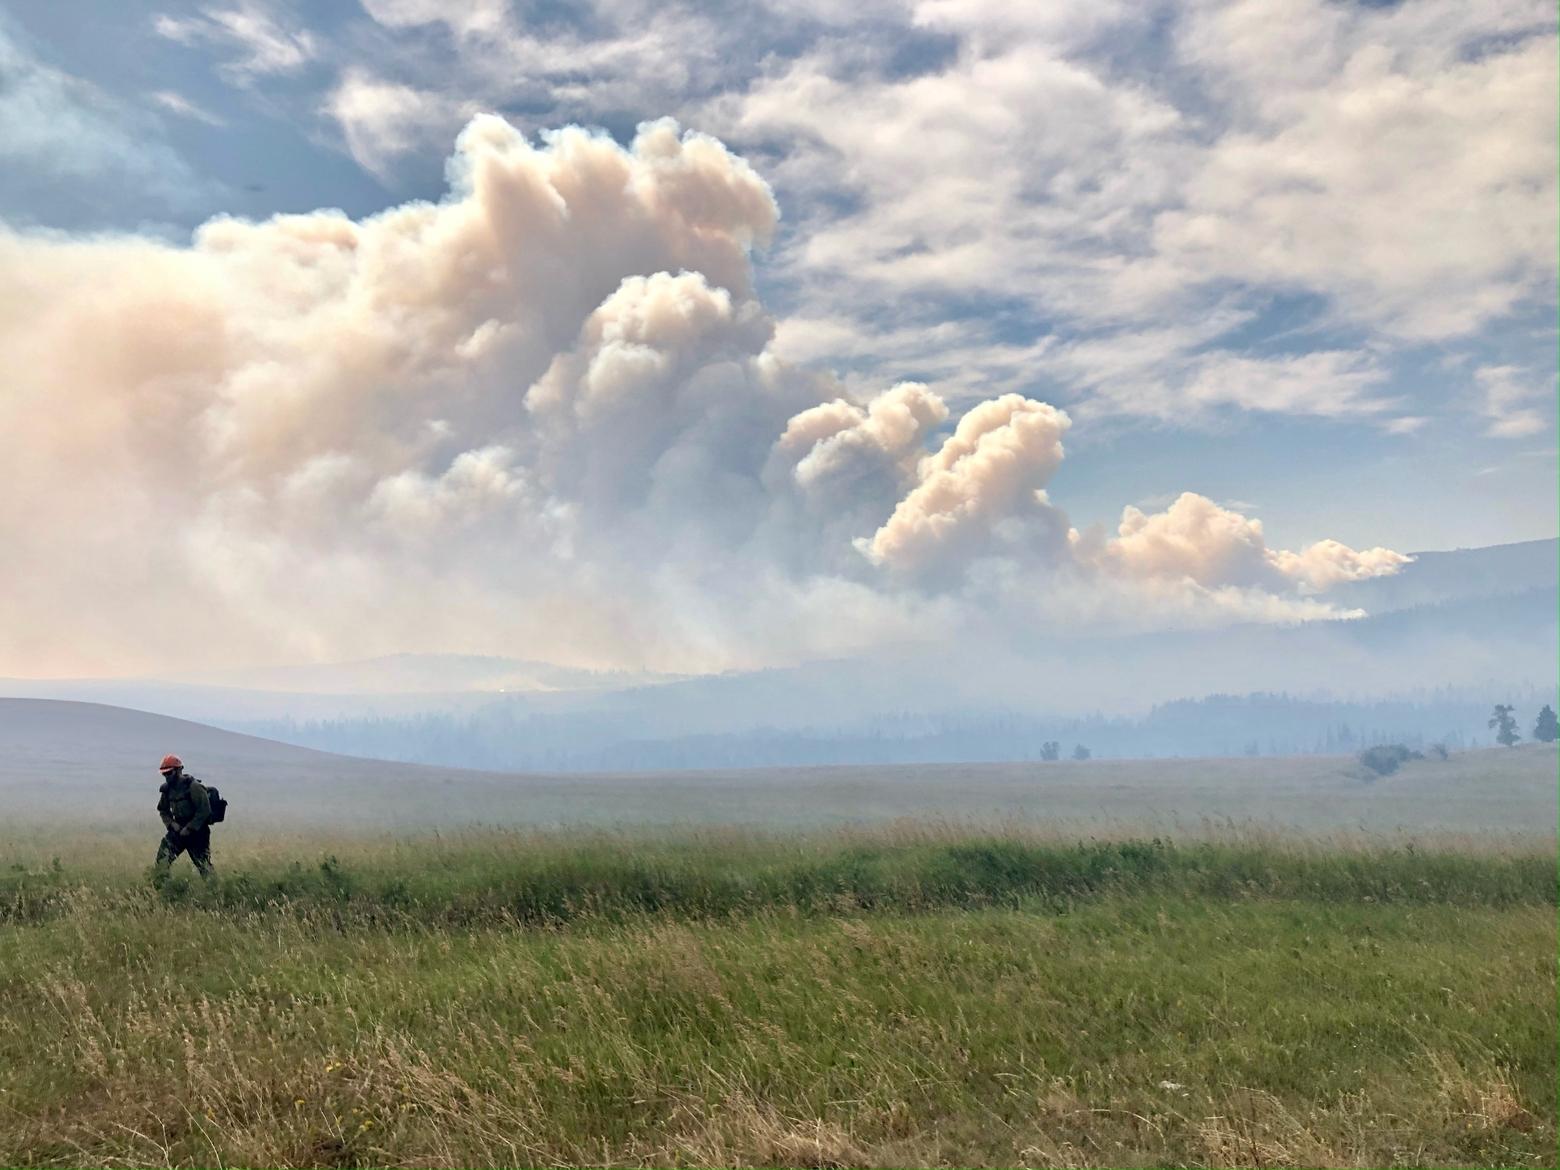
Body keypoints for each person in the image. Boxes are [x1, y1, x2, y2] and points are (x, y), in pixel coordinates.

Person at [154, 754, 215, 882]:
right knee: (162, 862)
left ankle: (215, 892)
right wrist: (171, 824)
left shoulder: (194, 787)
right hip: (177, 829)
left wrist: (190, 827)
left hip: (198, 831)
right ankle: (163, 891)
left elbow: (204, 810)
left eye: (169, 773)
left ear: (178, 770)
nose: (167, 777)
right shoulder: (167, 790)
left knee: (203, 866)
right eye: (164, 774)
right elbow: (162, 810)